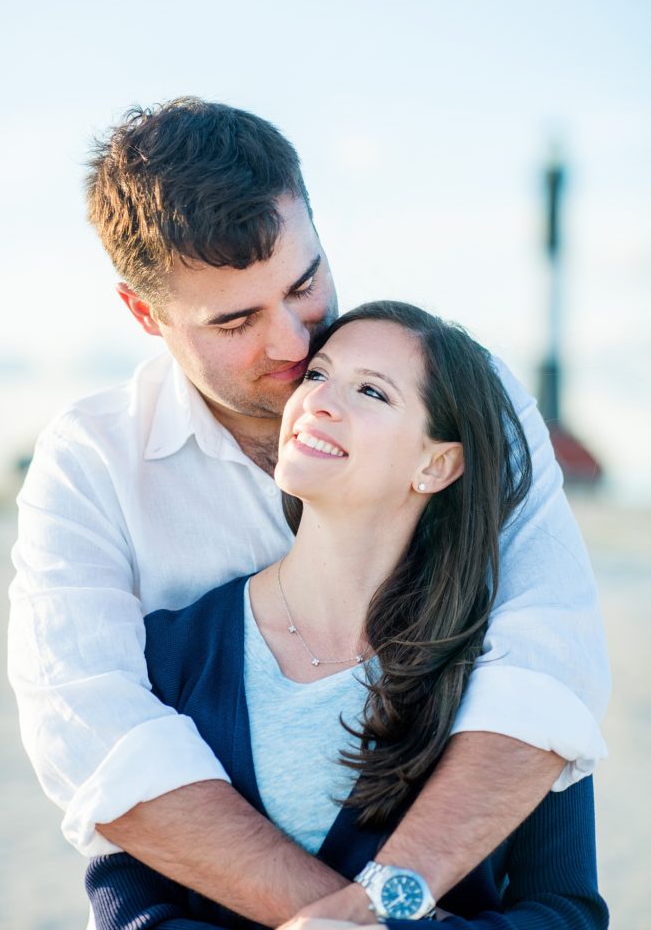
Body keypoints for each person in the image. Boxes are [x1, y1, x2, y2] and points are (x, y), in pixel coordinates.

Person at [8, 98, 609, 926]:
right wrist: (361, 920)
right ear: (145, 314)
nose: (295, 346)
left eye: (304, 284)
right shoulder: (95, 468)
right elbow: (100, 748)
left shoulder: (470, 404)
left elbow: (549, 672)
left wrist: (370, 912)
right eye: (236, 321)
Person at [85, 301, 608, 929]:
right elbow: (128, 903)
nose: (319, 402)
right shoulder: (173, 651)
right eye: (316, 375)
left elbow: (564, 910)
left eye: (371, 391)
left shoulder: (504, 670)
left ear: (436, 464)